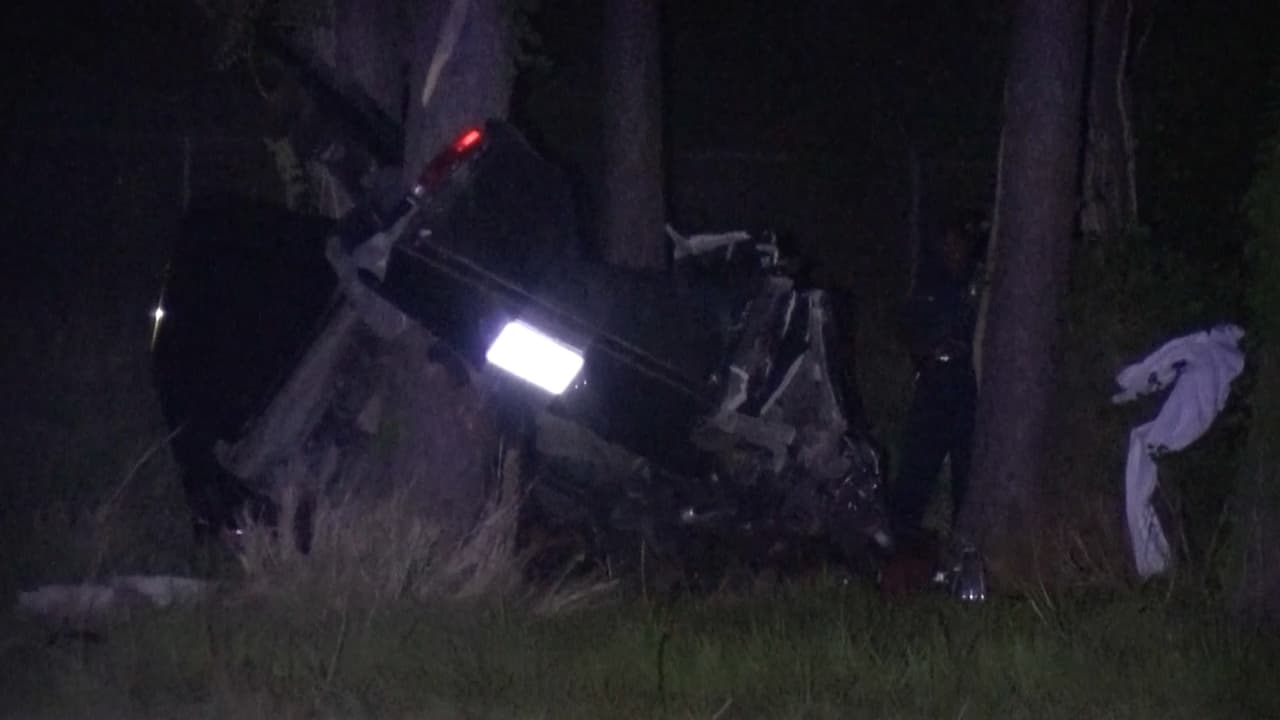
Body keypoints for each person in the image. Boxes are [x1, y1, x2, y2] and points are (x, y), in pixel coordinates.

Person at [889, 211, 986, 548]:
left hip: (968, 383)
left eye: (957, 243)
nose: (952, 250)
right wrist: (927, 351)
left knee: (966, 464)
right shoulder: (929, 282)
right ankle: (900, 534)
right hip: (933, 381)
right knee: (918, 459)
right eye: (946, 245)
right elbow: (906, 326)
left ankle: (963, 540)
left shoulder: (980, 282)